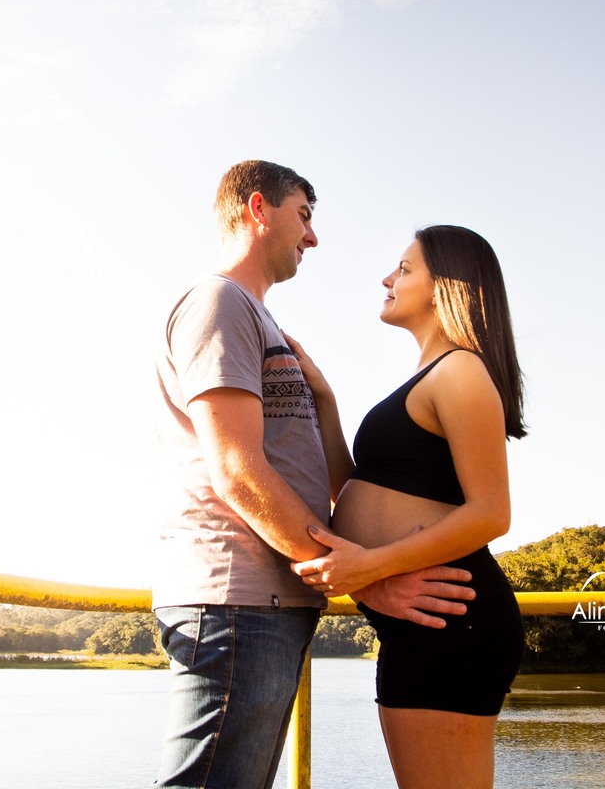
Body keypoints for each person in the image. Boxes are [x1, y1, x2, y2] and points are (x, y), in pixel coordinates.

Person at [152, 163, 480, 789]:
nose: (313, 236)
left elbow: (316, 474)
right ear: (259, 209)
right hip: (235, 596)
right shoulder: (218, 301)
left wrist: (324, 403)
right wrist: (367, 582)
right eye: (304, 215)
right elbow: (236, 471)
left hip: (268, 598)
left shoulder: (259, 320)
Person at [288, 224, 527, 789]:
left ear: (447, 287)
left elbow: (492, 512)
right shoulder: (426, 378)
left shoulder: (461, 370)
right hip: (418, 625)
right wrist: (325, 401)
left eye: (405, 268)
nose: (387, 279)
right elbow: (353, 489)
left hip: (451, 622)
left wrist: (372, 567)